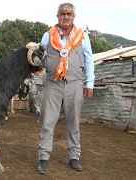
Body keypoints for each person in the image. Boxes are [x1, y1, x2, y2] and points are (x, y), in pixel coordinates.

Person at [37, 3, 94, 174]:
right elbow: (40, 58)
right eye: (63, 14)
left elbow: (89, 59)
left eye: (69, 14)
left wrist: (89, 83)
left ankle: (74, 157)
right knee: (47, 122)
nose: (66, 17)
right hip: (52, 84)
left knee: (73, 122)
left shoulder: (83, 36)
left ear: (74, 17)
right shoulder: (47, 36)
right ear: (57, 16)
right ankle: (44, 158)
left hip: (75, 84)